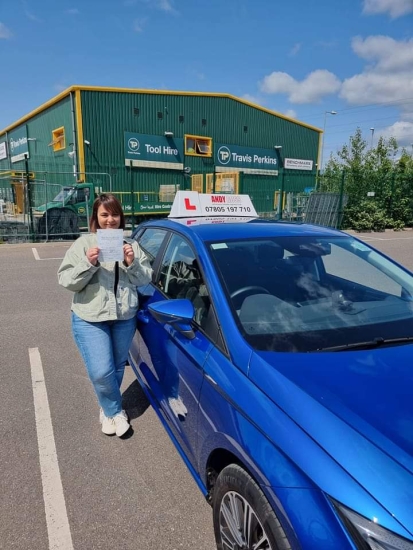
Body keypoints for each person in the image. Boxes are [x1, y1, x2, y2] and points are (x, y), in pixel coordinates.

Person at [57, 194, 152, 437]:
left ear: (121, 217)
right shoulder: (83, 244)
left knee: (117, 367)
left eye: (115, 214)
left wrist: (131, 262)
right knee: (101, 371)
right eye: (104, 215)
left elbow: (145, 279)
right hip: (90, 317)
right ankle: (114, 411)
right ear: (96, 218)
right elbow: (66, 281)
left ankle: (106, 407)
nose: (110, 220)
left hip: (123, 316)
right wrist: (89, 264)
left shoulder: (131, 245)